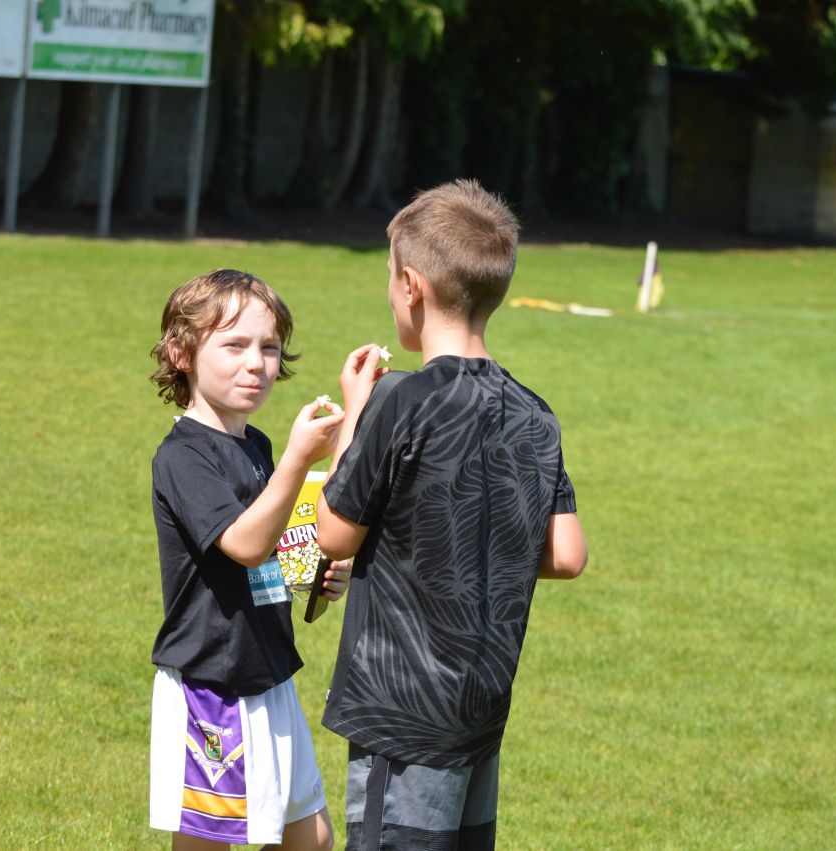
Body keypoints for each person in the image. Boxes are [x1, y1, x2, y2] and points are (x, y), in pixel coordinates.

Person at [316, 180, 589, 851]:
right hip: (480, 709)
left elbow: (333, 530)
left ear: (411, 285)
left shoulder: (400, 402)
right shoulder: (535, 413)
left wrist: (356, 410)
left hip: (400, 715)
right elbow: (566, 552)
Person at [147, 269, 349, 851]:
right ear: (182, 353)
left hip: (267, 671)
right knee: (209, 844)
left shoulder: (255, 447)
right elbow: (243, 543)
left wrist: (317, 574)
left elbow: (270, 556)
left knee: (309, 839)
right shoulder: (183, 455)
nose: (256, 362)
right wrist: (296, 459)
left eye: (268, 346)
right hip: (215, 685)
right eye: (233, 345)